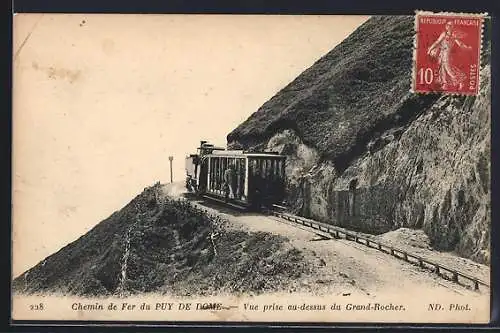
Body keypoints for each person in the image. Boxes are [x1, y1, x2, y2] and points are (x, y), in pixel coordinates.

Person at [427, 21, 472, 90]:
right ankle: (445, 84)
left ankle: (460, 81)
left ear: (453, 27)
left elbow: (460, 44)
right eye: (448, 25)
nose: (449, 26)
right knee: (442, 68)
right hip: (442, 53)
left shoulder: (454, 35)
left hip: (447, 54)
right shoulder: (444, 34)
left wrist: (467, 48)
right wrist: (430, 49)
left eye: (451, 25)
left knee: (448, 68)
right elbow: (437, 42)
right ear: (446, 26)